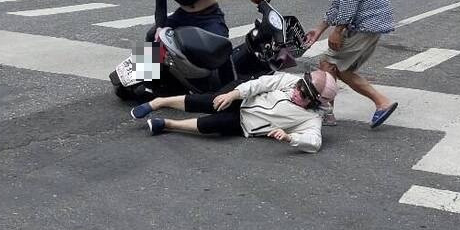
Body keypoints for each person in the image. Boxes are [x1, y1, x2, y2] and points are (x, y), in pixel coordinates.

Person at [304, 0, 398, 129]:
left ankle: (328, 112)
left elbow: (349, 1)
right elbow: (339, 3)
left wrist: (337, 31)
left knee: (329, 64)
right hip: (368, 23)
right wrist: (319, 28)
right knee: (341, 69)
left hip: (365, 23)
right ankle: (332, 111)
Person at [128, 70, 337, 154]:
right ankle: (158, 101)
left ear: (314, 102)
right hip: (242, 95)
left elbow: (314, 141)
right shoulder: (291, 80)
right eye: (300, 86)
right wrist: (235, 94)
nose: (297, 91)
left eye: (304, 93)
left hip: (246, 122)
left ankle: (167, 124)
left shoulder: (311, 118)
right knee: (210, 101)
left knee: (213, 123)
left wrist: (290, 137)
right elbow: (262, 82)